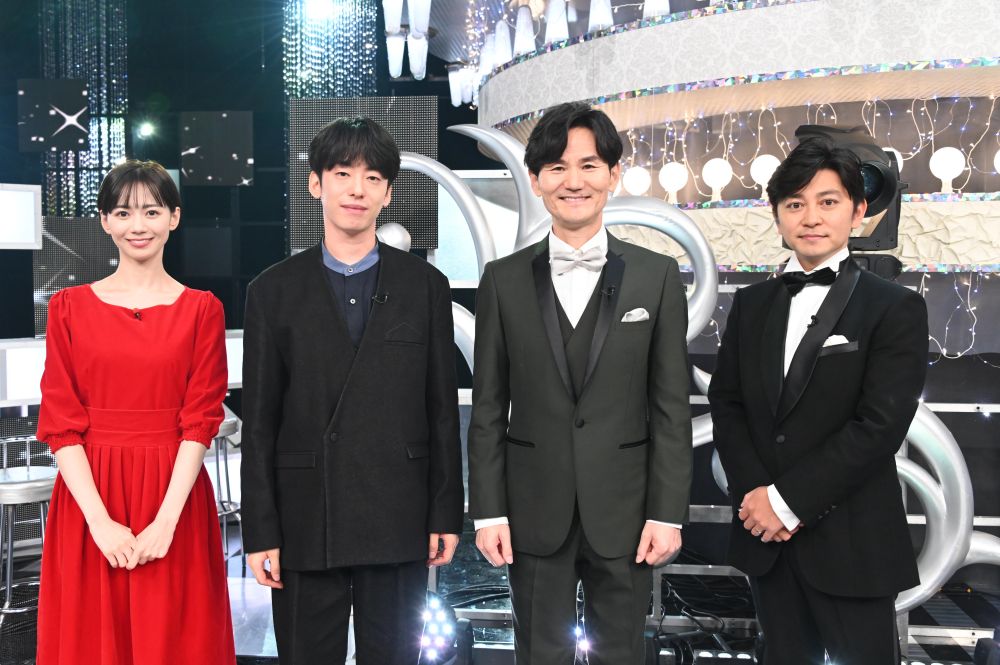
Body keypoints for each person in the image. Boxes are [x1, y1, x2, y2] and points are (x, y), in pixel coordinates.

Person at [468, 102, 693, 665]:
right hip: (531, 508)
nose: (574, 181)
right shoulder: (501, 281)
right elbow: (489, 408)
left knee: (622, 654)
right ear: (536, 180)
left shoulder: (657, 276)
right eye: (557, 167)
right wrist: (489, 511)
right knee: (538, 653)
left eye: (589, 165)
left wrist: (666, 512)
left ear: (613, 175)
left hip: (626, 510)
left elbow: (670, 407)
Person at [240, 116, 463, 665]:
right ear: (316, 184)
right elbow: (260, 423)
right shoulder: (272, 291)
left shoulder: (425, 286)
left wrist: (444, 514)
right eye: (342, 173)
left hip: (398, 511)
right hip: (305, 516)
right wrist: (260, 529)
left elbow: (441, 411)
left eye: (372, 177)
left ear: (388, 193)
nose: (357, 189)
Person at [708, 137, 927, 664]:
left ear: (859, 210)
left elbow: (879, 426)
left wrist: (786, 503)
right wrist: (757, 499)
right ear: (778, 216)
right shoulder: (751, 304)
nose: (811, 217)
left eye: (828, 201)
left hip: (853, 542)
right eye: (795, 204)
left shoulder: (895, 307)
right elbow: (727, 403)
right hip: (766, 540)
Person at [35, 160, 235, 665]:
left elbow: (200, 422)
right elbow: (61, 423)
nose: (138, 225)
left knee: (176, 640)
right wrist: (99, 522)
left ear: (174, 217)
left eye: (152, 211)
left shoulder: (203, 310)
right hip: (90, 499)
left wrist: (166, 522)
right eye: (123, 212)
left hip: (174, 497)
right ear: (105, 221)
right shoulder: (67, 308)